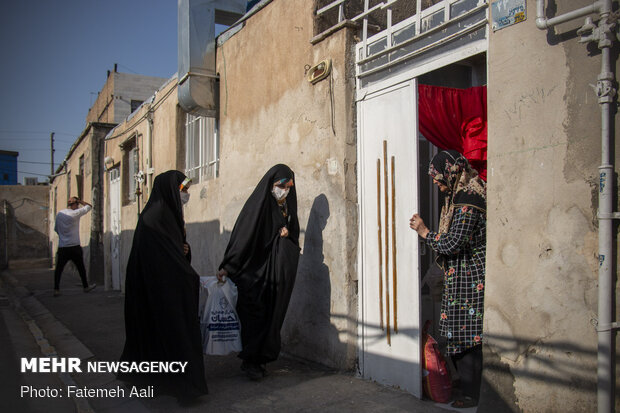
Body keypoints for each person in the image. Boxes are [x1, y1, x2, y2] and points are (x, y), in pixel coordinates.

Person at [118, 171, 207, 402]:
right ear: (170, 190)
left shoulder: (169, 215)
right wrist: (188, 274)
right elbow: (157, 257)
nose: (186, 195)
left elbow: (174, 250)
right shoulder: (155, 216)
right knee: (176, 335)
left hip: (166, 287)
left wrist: (184, 250)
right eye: (183, 190)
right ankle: (185, 389)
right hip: (158, 289)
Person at [409, 150, 486, 408]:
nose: (435, 182)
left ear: (451, 171)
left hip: (469, 278)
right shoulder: (457, 197)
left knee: (468, 338)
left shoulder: (468, 199)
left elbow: (454, 242)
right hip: (459, 276)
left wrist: (425, 232)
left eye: (437, 176)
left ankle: (472, 394)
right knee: (459, 334)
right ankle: (465, 387)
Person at [217, 164, 300, 380]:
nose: (285, 190)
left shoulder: (287, 208)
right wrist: (228, 266)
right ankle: (250, 361)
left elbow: (294, 238)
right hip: (253, 274)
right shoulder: (258, 207)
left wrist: (286, 234)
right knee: (255, 316)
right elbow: (243, 238)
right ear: (271, 185)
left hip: (274, 275)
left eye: (289, 186)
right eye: (281, 186)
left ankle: (259, 361)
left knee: (271, 317)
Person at [53, 197, 96, 296]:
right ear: (74, 205)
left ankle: (56, 289)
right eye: (77, 205)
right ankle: (86, 287)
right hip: (74, 246)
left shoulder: (60, 214)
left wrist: (64, 237)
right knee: (81, 268)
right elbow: (89, 206)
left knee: (59, 269)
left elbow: (56, 229)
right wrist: (80, 200)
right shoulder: (75, 213)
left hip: (63, 246)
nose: (78, 207)